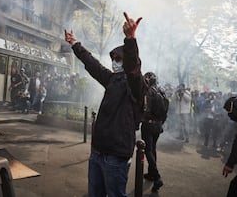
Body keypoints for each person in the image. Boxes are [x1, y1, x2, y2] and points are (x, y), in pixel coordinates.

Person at [64, 12, 143, 197]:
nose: (114, 62)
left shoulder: (136, 84)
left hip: (116, 156)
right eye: (113, 59)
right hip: (97, 152)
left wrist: (130, 40)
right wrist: (75, 44)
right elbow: (93, 65)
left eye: (118, 59)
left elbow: (133, 68)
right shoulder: (112, 79)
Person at [141, 71, 168, 193]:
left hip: (149, 125)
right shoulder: (162, 91)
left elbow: (146, 110)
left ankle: (157, 177)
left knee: (147, 150)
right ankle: (151, 173)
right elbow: (167, 110)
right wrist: (161, 123)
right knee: (153, 149)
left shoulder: (148, 92)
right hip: (158, 125)